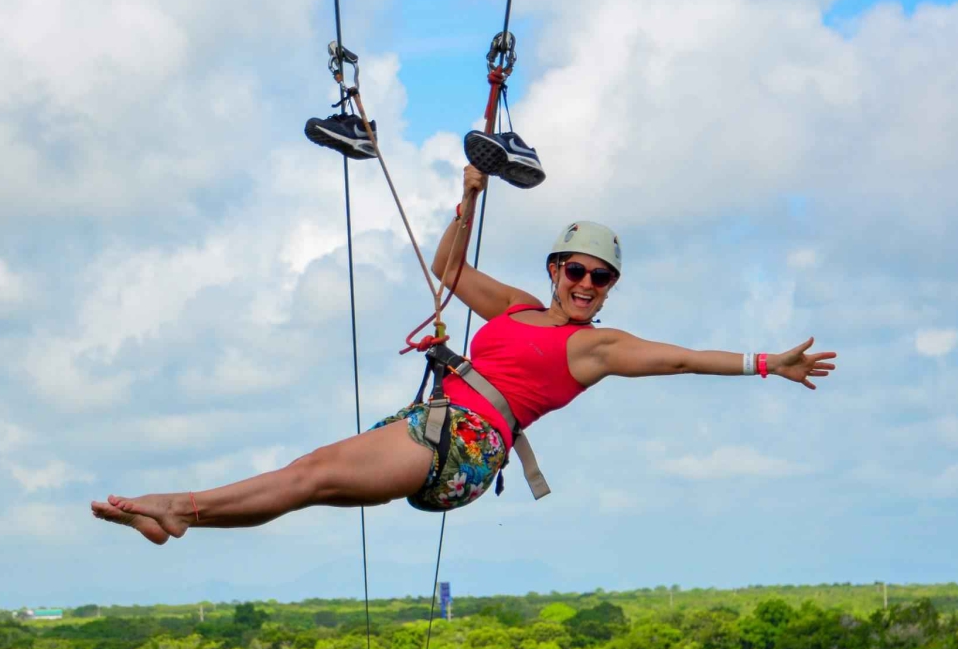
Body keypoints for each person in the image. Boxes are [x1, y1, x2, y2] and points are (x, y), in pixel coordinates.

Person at [90, 166, 837, 544]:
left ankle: (178, 507)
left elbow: (677, 359)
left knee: (312, 472)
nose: (583, 284)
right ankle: (182, 516)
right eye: (574, 270)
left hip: (465, 441)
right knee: (311, 480)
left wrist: (764, 363)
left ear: (608, 291)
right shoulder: (515, 307)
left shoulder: (594, 347)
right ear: (555, 270)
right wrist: (468, 201)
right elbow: (447, 270)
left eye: (598, 278)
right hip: (437, 422)